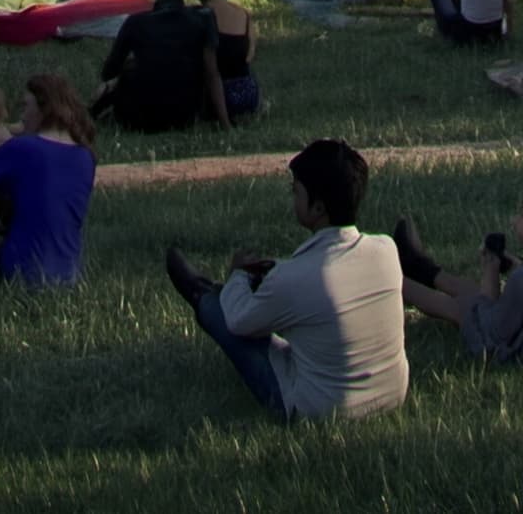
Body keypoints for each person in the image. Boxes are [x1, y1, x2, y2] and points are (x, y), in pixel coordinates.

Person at [165, 138, 407, 420]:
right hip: (391, 395)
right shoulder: (386, 249)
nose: (292, 199)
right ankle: (212, 293)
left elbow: (238, 322)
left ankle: (202, 294)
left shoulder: (295, 277)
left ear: (317, 208)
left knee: (222, 314)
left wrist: (238, 276)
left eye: (296, 192)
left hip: (323, 409)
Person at [389, 179, 523, 366]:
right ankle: (421, 267)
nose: (514, 220)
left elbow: (495, 330)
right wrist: (515, 265)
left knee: (464, 308)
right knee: (473, 294)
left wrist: (491, 271)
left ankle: (391, 280)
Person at [0, 72, 100, 285]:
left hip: (21, 269)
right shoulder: (85, 156)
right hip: (69, 273)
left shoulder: (21, 148)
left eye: (26, 107)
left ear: (44, 109)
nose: (22, 116)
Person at [101, 0, 226, 133]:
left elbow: (109, 72)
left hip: (140, 115)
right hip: (186, 114)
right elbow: (212, 73)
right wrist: (225, 123)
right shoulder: (204, 18)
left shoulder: (136, 23)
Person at [192, 0, 264, 121]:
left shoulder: (199, 14)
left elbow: (211, 72)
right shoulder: (244, 14)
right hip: (248, 95)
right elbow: (249, 56)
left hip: (218, 100)